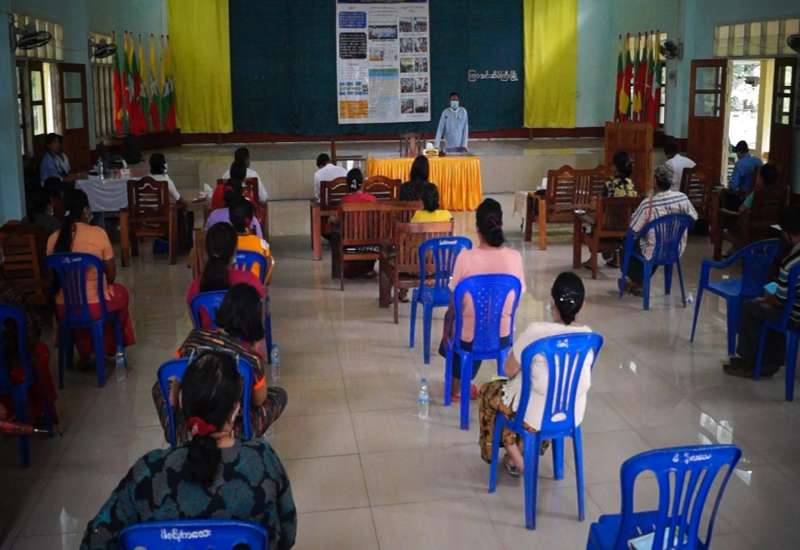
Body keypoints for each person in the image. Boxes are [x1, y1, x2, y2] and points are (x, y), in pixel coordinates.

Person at [86, 351, 296, 550]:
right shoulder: (262, 461)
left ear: (181, 405)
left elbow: (96, 539)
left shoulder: (149, 471)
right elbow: (287, 535)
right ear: (235, 410)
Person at [479, 272, 593, 476]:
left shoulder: (536, 332)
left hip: (534, 415)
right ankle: (521, 452)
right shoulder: (589, 337)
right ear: (583, 306)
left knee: (489, 393)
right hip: (571, 413)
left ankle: (513, 457)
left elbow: (508, 370)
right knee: (544, 394)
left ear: (551, 303)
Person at [154, 285, 287, 441]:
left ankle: (176, 433)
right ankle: (242, 436)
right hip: (231, 431)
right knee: (278, 394)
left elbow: (176, 381)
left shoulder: (194, 338)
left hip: (189, 429)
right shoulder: (250, 359)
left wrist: (176, 411)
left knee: (159, 386)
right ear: (254, 320)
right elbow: (259, 401)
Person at [440, 198, 525, 401]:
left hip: (469, 338)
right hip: (502, 335)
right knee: (481, 321)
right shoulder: (515, 257)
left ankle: (456, 387)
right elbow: (516, 300)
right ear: (501, 224)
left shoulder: (465, 257)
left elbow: (454, 303)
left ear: (477, 228)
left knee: (455, 321)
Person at [46, 189, 136, 364]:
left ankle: (84, 351)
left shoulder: (53, 239)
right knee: (121, 294)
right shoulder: (98, 234)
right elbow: (111, 276)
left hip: (64, 309)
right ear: (86, 211)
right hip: (95, 307)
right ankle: (112, 348)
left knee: (85, 308)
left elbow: (51, 278)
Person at [723, 207, 800, 378]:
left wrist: (767, 297)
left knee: (751, 308)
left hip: (796, 317)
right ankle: (772, 360)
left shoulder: (791, 263)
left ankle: (749, 362)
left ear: (787, 233)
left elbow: (780, 300)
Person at [0, 249, 59, 425]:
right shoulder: (11, 293)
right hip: (12, 364)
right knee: (37, 353)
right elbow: (32, 329)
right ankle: (38, 410)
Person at [623, 164, 698, 291]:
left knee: (628, 244)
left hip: (652, 251)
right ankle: (639, 282)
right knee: (653, 243)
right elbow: (693, 218)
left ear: (655, 181)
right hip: (675, 249)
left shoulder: (648, 204)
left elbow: (633, 230)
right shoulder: (682, 198)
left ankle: (637, 281)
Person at [186, 222, 265, 309]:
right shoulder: (250, 281)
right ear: (234, 252)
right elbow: (262, 311)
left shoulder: (195, 287)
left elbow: (194, 316)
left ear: (206, 253)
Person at [230, 197, 271, 281]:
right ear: (249, 220)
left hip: (230, 289)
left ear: (230, 219)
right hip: (255, 288)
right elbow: (267, 279)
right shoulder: (261, 244)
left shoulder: (224, 243)